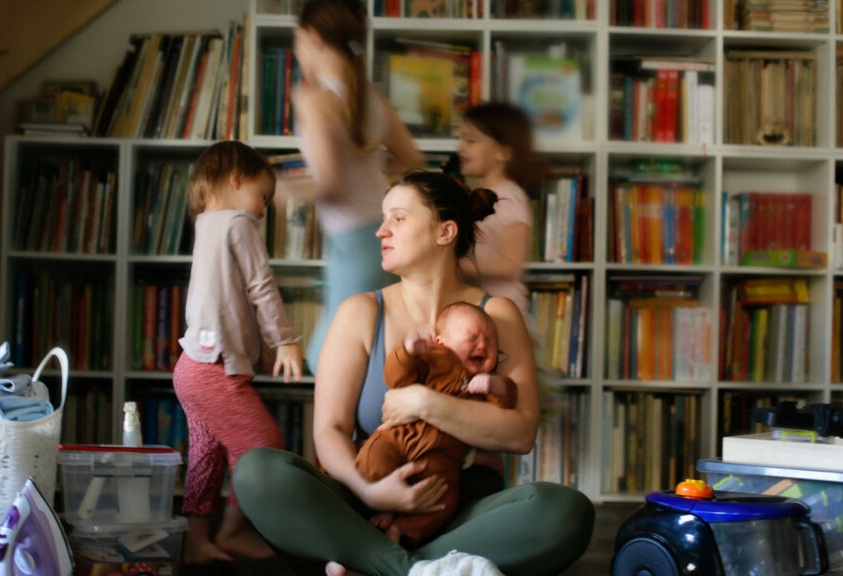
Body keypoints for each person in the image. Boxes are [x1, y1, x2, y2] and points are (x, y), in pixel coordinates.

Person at [234, 171, 594, 576]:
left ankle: (371, 565)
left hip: (459, 507)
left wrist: (424, 401)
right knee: (258, 472)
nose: (381, 231)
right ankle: (423, 569)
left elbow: (520, 432)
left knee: (566, 511)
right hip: (364, 499)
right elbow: (329, 430)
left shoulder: (496, 315)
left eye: (398, 218)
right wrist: (372, 491)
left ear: (445, 232)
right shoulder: (362, 312)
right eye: (383, 218)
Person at [173, 141, 303, 565]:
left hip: (191, 367)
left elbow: (226, 305)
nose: (263, 209)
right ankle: (233, 530)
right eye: (262, 196)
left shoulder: (207, 224)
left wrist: (254, 353)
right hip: (212, 370)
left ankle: (196, 543)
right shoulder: (239, 222)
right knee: (262, 444)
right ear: (235, 179)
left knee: (206, 461)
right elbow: (260, 287)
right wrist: (284, 340)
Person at [288, 0, 425, 373]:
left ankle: (347, 432)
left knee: (329, 361)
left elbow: (332, 183)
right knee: (378, 354)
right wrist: (377, 170)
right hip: (385, 238)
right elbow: (412, 157)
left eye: (296, 41)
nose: (297, 51)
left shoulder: (313, 100)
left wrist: (290, 192)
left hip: (351, 244)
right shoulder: (372, 99)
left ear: (312, 37)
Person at [357, 301, 517, 548]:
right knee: (373, 458)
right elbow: (396, 378)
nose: (483, 345)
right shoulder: (431, 361)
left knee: (445, 498)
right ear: (441, 343)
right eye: (472, 337)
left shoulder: (485, 382)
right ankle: (380, 508)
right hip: (398, 438)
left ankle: (401, 530)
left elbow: (508, 399)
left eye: (490, 341)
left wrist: (496, 385)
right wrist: (407, 352)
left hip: (440, 458)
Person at [456, 103, 548, 317]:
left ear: (503, 152)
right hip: (480, 309)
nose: (461, 147)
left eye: (471, 140)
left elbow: (511, 263)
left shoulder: (508, 197)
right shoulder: (478, 195)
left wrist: (460, 266)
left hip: (503, 315)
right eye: (462, 139)